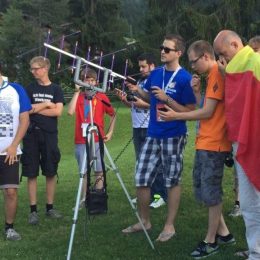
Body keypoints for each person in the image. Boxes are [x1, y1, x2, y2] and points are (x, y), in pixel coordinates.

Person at [158, 40, 235, 258]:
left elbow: (207, 113)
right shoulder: (209, 77)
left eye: (194, 62)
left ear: (205, 57)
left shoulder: (218, 74)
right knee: (203, 190)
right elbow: (205, 106)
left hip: (215, 143)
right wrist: (197, 92)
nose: (192, 66)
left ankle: (210, 241)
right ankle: (225, 234)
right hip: (205, 142)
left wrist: (176, 115)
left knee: (211, 194)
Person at [122, 34, 196, 242]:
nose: (162, 51)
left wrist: (167, 99)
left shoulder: (185, 79)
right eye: (162, 48)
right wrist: (138, 91)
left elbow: (189, 111)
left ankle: (169, 225)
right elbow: (149, 97)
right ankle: (144, 221)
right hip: (153, 134)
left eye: (167, 49)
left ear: (178, 53)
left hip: (174, 135)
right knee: (141, 177)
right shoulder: (155, 74)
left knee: (172, 180)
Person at [214, 30, 260, 260]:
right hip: (242, 143)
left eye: (224, 54)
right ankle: (256, 251)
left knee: (254, 201)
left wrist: (227, 74)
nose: (224, 61)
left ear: (235, 43)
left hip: (253, 142)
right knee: (250, 203)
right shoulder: (233, 70)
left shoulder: (255, 62)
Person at [114, 53, 167, 209]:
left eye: (144, 66)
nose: (141, 69)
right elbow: (133, 105)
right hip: (137, 128)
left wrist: (138, 101)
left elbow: (156, 104)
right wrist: (125, 100)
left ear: (152, 65)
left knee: (155, 163)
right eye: (140, 67)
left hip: (150, 127)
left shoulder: (156, 81)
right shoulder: (139, 82)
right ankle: (146, 194)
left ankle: (159, 195)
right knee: (141, 163)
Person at [21, 56, 64, 225]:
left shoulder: (56, 89)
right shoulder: (29, 89)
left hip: (49, 135)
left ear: (45, 68)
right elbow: (27, 110)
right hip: (31, 135)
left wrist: (38, 109)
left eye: (36, 68)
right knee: (31, 172)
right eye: (32, 69)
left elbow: (58, 112)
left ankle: (50, 207)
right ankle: (33, 210)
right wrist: (47, 104)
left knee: (50, 170)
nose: (33, 71)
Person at [67, 68, 116, 207]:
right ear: (82, 81)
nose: (89, 82)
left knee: (99, 169)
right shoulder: (80, 96)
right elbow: (70, 112)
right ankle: (83, 199)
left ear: (96, 82)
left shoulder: (101, 97)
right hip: (81, 140)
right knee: (84, 172)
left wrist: (110, 132)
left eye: (92, 80)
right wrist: (77, 92)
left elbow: (113, 114)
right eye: (86, 80)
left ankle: (98, 197)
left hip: (97, 139)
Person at [0, 63, 31, 240]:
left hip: (9, 151)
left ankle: (9, 227)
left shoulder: (16, 89)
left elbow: (24, 119)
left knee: (10, 191)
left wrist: (14, 145)